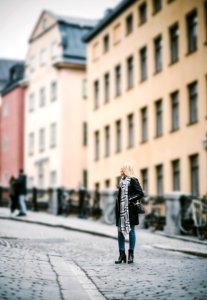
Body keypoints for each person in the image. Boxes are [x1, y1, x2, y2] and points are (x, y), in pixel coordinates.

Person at [115, 162, 144, 264]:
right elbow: (118, 199)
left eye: (122, 169)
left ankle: (131, 254)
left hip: (130, 210)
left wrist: (130, 199)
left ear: (127, 170)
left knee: (131, 231)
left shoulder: (133, 180)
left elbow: (141, 193)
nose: (121, 171)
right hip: (121, 211)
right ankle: (122, 255)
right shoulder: (121, 182)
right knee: (120, 232)